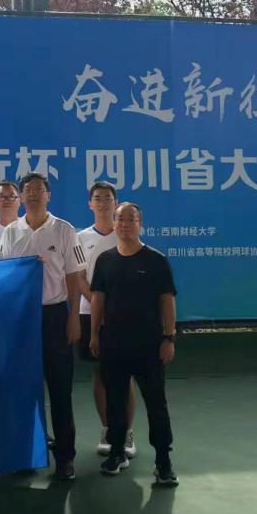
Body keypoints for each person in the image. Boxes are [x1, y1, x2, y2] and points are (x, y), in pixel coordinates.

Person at [0, 172, 87, 480]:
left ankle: (65, 458)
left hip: (55, 315)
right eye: (28, 189)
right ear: (21, 196)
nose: (34, 194)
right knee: (24, 389)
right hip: (21, 318)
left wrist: (73, 316)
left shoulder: (64, 229)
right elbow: (4, 274)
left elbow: (74, 275)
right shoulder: (11, 232)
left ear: (48, 195)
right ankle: (27, 455)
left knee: (60, 390)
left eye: (40, 189)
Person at [90, 203, 178, 487]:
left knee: (156, 404)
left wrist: (169, 338)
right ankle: (116, 452)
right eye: (121, 219)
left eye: (131, 219)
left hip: (149, 346)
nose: (125, 224)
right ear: (113, 224)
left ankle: (163, 462)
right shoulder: (105, 260)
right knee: (115, 402)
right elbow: (98, 299)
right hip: (113, 344)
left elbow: (167, 301)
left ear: (140, 224)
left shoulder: (156, 260)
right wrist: (94, 335)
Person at [77, 181, 137, 459]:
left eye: (107, 198)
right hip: (89, 312)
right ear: (90, 204)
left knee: (125, 374)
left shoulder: (125, 234)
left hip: (123, 314)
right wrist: (97, 302)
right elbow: (79, 276)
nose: (102, 202)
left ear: (116, 203)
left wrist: (114, 306)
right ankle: (107, 429)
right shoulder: (79, 237)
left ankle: (127, 433)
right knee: (100, 372)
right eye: (97, 198)